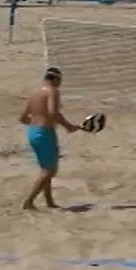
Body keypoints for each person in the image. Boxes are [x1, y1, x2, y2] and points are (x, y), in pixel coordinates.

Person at [18, 67, 79, 210]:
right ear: (55, 79)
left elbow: (22, 118)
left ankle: (49, 201)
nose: (60, 84)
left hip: (32, 132)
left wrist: (37, 126)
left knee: (45, 169)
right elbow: (53, 112)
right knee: (50, 170)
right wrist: (68, 126)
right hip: (45, 134)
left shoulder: (34, 92)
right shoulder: (53, 91)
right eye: (60, 81)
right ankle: (29, 201)